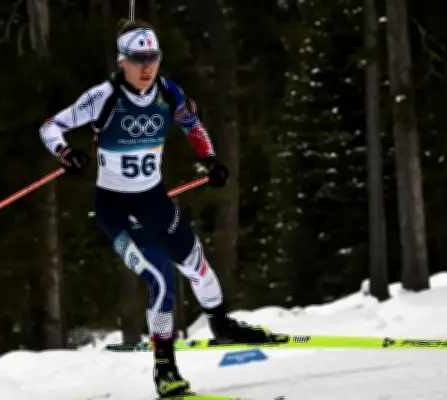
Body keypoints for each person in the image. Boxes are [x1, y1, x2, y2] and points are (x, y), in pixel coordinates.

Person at [39, 19, 272, 398]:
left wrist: (210, 160)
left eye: (153, 58)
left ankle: (221, 324)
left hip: (155, 201)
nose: (147, 67)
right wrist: (65, 152)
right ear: (122, 62)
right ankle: (165, 370)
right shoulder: (103, 97)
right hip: (115, 211)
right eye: (137, 59)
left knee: (196, 263)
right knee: (161, 277)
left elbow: (193, 124)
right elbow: (50, 127)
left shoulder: (168, 92)